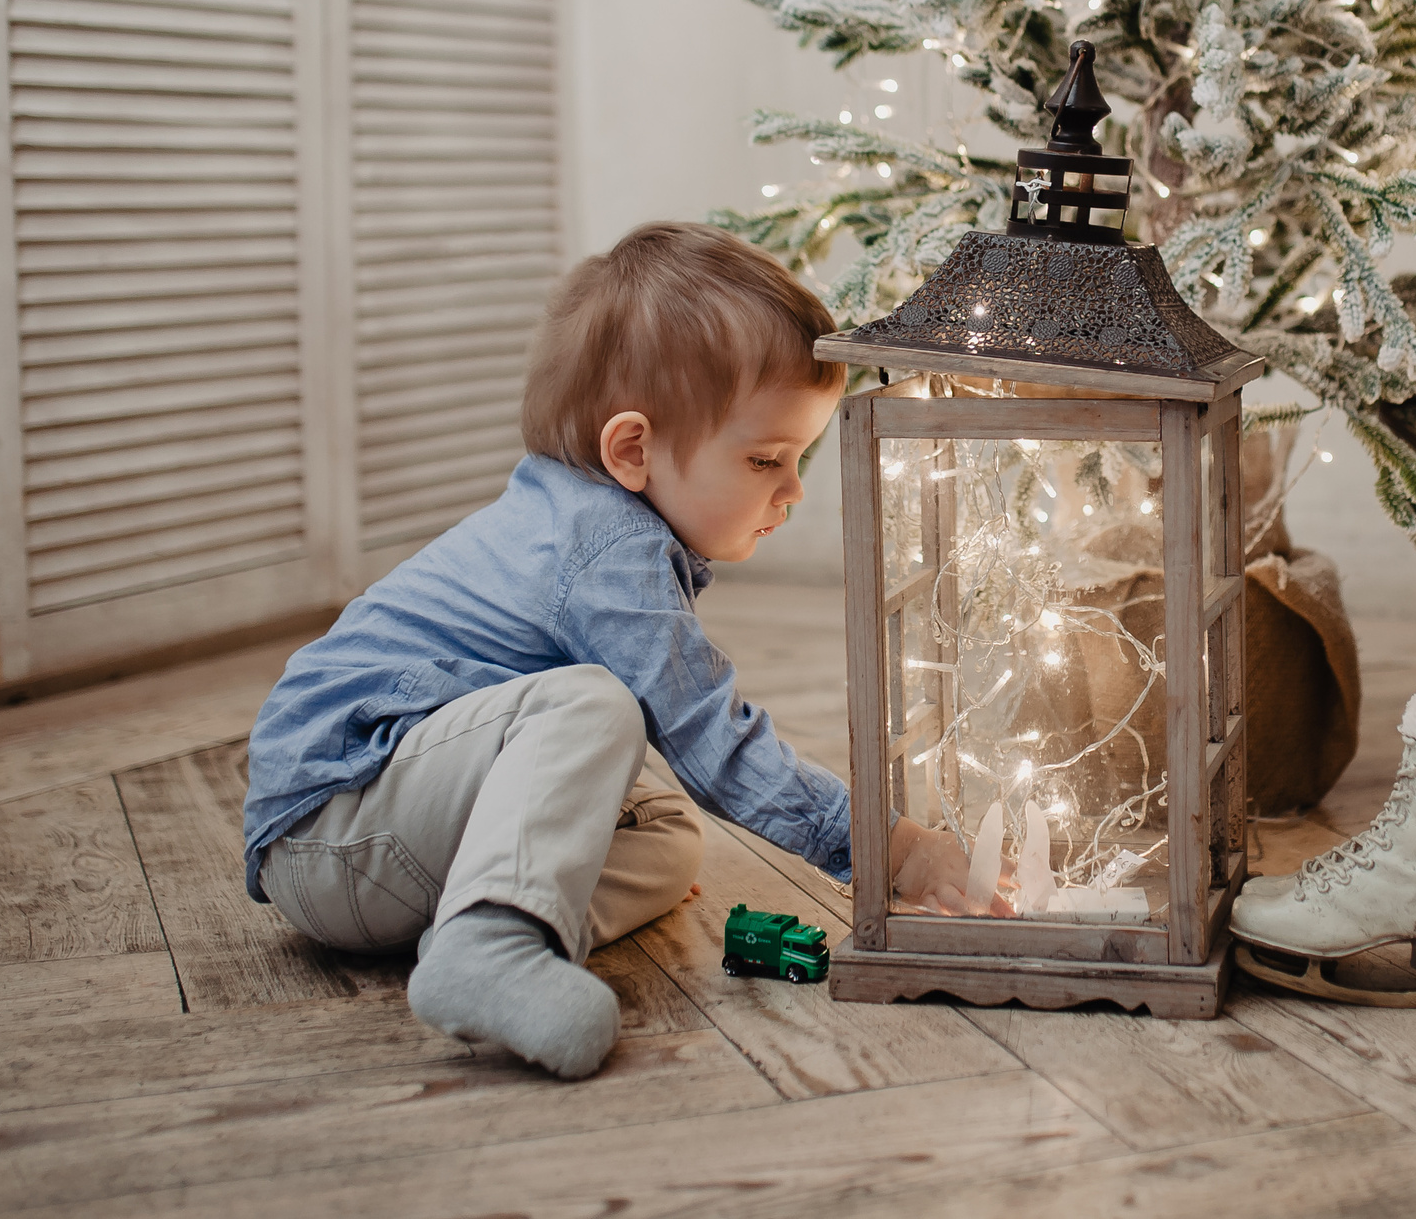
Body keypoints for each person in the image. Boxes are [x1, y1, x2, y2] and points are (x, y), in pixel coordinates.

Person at [240, 222, 972, 1079]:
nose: (793, 489)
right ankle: (491, 945)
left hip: (390, 838)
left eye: (798, 457)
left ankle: (481, 928)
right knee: (596, 703)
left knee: (669, 835)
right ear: (631, 450)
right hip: (334, 823)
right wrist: (889, 846)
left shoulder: (588, 520)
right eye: (766, 458)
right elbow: (713, 740)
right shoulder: (606, 548)